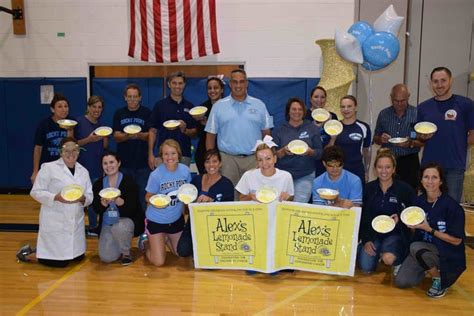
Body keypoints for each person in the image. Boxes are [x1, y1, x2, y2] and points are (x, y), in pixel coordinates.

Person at [17, 137, 93, 267]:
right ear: (60, 152)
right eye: (66, 150)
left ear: (79, 152)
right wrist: (56, 197)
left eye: (74, 150)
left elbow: (89, 195)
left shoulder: (84, 171)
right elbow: (35, 192)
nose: (71, 154)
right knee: (57, 263)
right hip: (55, 220)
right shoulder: (48, 168)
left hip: (75, 222)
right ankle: (28, 253)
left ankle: (48, 252)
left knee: (77, 259)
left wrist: (83, 199)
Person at [395, 163, 466, 298]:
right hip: (424, 250)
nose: (430, 181)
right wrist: (401, 220)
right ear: (421, 180)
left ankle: (438, 278)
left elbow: (457, 241)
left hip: (447, 252)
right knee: (402, 282)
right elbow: (413, 229)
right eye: (426, 177)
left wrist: (430, 229)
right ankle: (427, 266)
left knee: (415, 247)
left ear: (441, 181)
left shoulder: (452, 207)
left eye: (434, 177)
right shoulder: (417, 202)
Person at [205, 69, 273, 192]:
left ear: (246, 83)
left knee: (254, 195)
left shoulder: (259, 105)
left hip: (253, 159)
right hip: (227, 159)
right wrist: (211, 160)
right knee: (229, 196)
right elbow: (210, 136)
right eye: (235, 82)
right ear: (230, 84)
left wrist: (265, 158)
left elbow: (267, 134)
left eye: (241, 82)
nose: (238, 85)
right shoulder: (218, 107)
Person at [416, 67, 474, 203]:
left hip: (454, 167)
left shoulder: (465, 104)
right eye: (435, 81)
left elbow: (472, 135)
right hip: (429, 167)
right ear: (431, 83)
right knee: (428, 206)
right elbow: (417, 136)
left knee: (452, 207)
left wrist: (458, 145)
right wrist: (422, 138)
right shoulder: (423, 107)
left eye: (443, 80)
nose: (439, 85)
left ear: (450, 80)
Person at [358, 148, 416, 274]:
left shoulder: (405, 190)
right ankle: (370, 250)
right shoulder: (368, 189)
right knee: (365, 267)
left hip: (395, 234)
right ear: (375, 169)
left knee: (388, 259)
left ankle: (398, 258)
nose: (384, 171)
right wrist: (366, 240)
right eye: (380, 167)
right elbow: (363, 217)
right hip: (373, 235)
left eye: (388, 167)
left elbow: (413, 213)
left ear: (394, 169)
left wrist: (400, 217)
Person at [139, 139, 192, 266]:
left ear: (178, 155)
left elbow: (188, 192)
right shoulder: (156, 175)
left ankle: (165, 238)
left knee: (180, 253)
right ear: (161, 156)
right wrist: (157, 201)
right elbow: (147, 196)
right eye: (166, 154)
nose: (170, 157)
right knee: (158, 262)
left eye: (173, 153)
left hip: (175, 220)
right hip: (157, 220)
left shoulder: (185, 171)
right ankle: (145, 242)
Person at [177, 149, 234, 257]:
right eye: (207, 161)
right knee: (182, 251)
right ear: (204, 164)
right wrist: (187, 201)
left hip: (215, 226)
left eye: (214, 161)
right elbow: (187, 206)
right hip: (194, 222)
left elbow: (228, 211)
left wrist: (212, 201)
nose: (211, 165)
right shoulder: (196, 180)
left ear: (220, 164)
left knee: (207, 255)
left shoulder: (227, 184)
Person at [92, 152, 145, 265]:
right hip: (107, 224)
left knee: (119, 227)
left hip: (125, 222)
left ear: (119, 163)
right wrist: (103, 205)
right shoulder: (98, 184)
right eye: (105, 163)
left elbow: (134, 210)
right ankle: (118, 244)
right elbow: (96, 208)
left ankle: (126, 252)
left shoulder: (129, 182)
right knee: (106, 258)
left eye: (112, 162)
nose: (108, 166)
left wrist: (121, 203)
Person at [273, 97, 322, 203]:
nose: (297, 112)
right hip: (283, 176)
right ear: (288, 111)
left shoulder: (312, 128)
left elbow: (320, 153)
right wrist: (283, 151)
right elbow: (273, 155)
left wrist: (310, 152)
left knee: (298, 209)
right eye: (294, 109)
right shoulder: (280, 130)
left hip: (305, 174)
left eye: (300, 109)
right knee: (281, 206)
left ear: (304, 111)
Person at [373, 84, 420, 189]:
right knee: (387, 191)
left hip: (409, 160)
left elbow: (422, 141)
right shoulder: (384, 114)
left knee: (410, 192)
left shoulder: (417, 113)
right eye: (396, 101)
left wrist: (411, 143)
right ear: (391, 98)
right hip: (388, 160)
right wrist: (381, 139)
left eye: (403, 101)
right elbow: (375, 138)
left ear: (408, 97)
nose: (399, 104)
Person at [112, 83, 151, 211]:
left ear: (140, 97)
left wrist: (139, 135)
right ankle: (126, 222)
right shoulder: (119, 113)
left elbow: (150, 135)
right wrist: (128, 136)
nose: (132, 99)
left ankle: (144, 226)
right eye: (130, 96)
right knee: (125, 195)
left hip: (143, 164)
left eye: (135, 96)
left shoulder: (146, 113)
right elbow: (116, 136)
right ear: (125, 97)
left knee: (143, 196)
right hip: (124, 163)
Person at [148, 71, 198, 169]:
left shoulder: (190, 106)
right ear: (169, 84)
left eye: (180, 83)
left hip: (183, 154)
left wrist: (185, 130)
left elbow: (194, 133)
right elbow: (152, 130)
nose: (177, 86)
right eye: (174, 83)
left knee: (182, 183)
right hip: (164, 155)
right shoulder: (160, 105)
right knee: (163, 183)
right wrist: (150, 154)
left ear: (184, 85)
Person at [75, 96, 109, 235]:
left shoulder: (101, 125)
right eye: (94, 106)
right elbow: (74, 144)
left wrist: (105, 137)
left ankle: (94, 226)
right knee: (83, 197)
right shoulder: (79, 122)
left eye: (99, 107)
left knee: (95, 197)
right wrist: (89, 139)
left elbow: (105, 146)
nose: (96, 110)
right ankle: (86, 226)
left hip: (97, 166)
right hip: (83, 166)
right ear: (88, 107)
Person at [327, 95, 371, 184]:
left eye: (349, 106)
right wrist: (332, 139)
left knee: (357, 197)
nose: (346, 109)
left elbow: (366, 150)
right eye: (343, 107)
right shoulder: (334, 126)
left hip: (357, 169)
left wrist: (366, 171)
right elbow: (327, 152)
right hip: (337, 171)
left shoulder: (364, 127)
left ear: (356, 108)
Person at [31, 93, 74, 183]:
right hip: (48, 166)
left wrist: (70, 131)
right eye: (60, 107)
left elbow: (73, 147)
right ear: (52, 109)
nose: (64, 109)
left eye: (66, 106)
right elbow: (38, 148)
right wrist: (35, 171)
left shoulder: (72, 123)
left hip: (66, 167)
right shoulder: (44, 125)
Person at [236, 136, 294, 202]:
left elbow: (291, 199)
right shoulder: (248, 176)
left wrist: (287, 197)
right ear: (257, 162)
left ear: (275, 159)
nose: (264, 163)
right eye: (260, 160)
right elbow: (241, 199)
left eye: (268, 159)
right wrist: (250, 196)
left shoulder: (286, 176)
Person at [194, 77, 225, 174]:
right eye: (209, 88)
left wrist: (211, 125)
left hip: (224, 153)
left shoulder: (228, 107)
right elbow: (197, 133)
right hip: (204, 153)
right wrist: (200, 124)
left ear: (222, 90)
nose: (212, 91)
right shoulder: (201, 109)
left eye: (215, 88)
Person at [305, 86, 338, 177]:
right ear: (310, 99)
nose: (319, 100)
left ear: (326, 99)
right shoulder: (304, 116)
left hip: (327, 160)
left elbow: (334, 141)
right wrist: (316, 128)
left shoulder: (332, 116)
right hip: (309, 160)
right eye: (316, 97)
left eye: (322, 97)